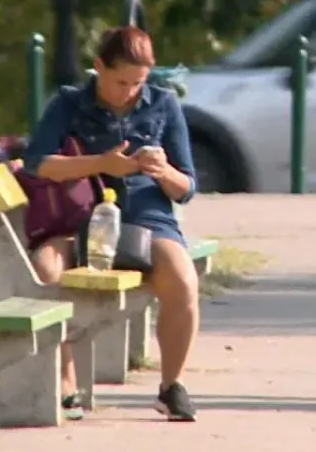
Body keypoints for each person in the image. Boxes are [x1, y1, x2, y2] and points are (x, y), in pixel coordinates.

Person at [21, 26, 201, 422]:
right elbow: (37, 162)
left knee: (183, 282)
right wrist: (101, 163)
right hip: (78, 213)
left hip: (146, 215)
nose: (130, 91)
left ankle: (172, 386)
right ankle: (66, 380)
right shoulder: (69, 103)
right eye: (121, 81)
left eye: (139, 82)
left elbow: (186, 187)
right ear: (98, 67)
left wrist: (163, 171)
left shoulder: (164, 104)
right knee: (46, 272)